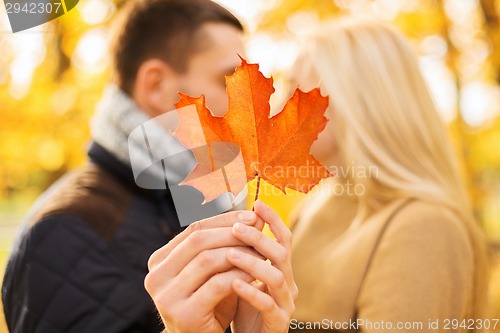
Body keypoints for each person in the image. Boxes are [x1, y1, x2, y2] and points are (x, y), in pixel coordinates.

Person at [1, 0, 297, 332]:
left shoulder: (200, 207)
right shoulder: (64, 237)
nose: (248, 107)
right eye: (228, 80)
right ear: (155, 84)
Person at [285, 18, 489, 332]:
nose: (278, 104)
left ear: (354, 99)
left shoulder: (425, 228)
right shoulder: (315, 207)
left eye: (294, 87)